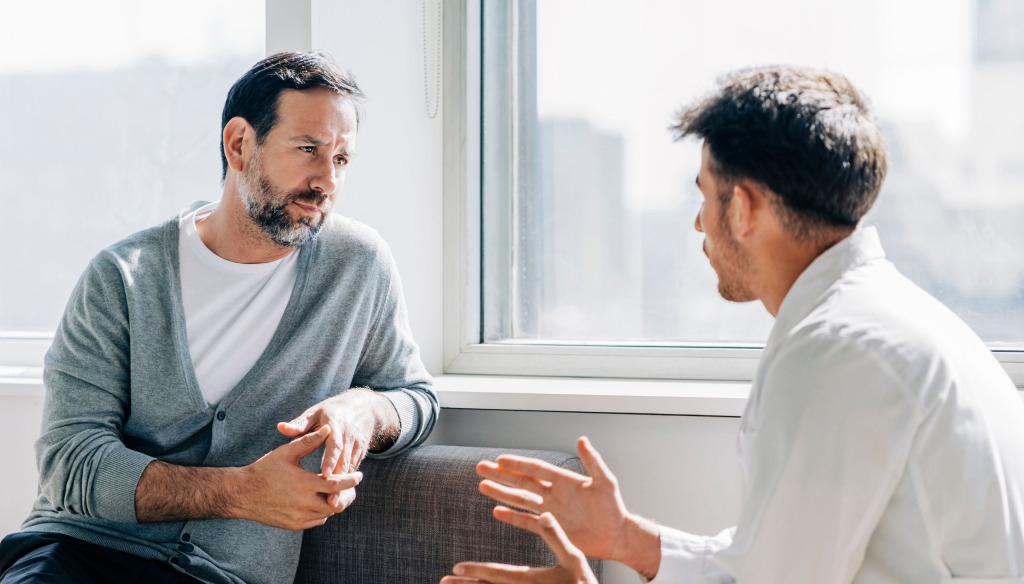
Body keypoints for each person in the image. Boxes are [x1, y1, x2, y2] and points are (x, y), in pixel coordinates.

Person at [443, 66, 1024, 583]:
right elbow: (770, 559)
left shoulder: (836, 351)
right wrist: (625, 540)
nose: (699, 224)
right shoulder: (885, 321)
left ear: (743, 208)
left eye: (705, 197)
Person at [0, 52, 438, 584]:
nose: (327, 181)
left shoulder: (358, 265)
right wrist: (241, 493)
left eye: (341, 160)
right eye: (308, 150)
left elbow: (416, 398)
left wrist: (365, 411)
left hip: (222, 577)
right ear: (239, 144)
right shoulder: (124, 276)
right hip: (75, 554)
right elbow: (69, 463)